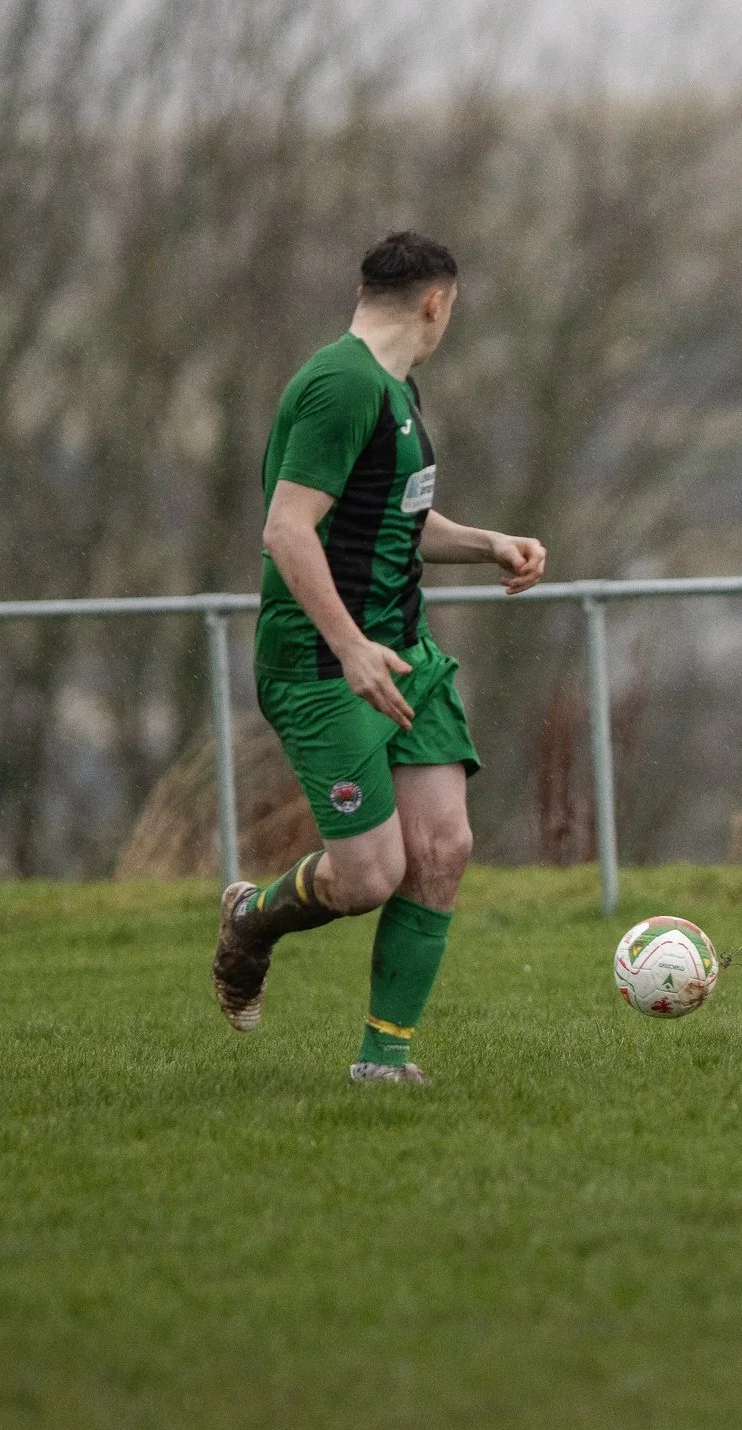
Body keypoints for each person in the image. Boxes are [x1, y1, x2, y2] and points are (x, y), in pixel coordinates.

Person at [210, 231, 550, 1083]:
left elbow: (399, 520)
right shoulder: (339, 385)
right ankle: (251, 918)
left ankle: (384, 1062)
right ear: (438, 302)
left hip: (403, 652)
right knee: (368, 876)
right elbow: (287, 529)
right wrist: (350, 645)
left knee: (442, 849)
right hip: (325, 666)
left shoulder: (396, 388)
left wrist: (489, 543)